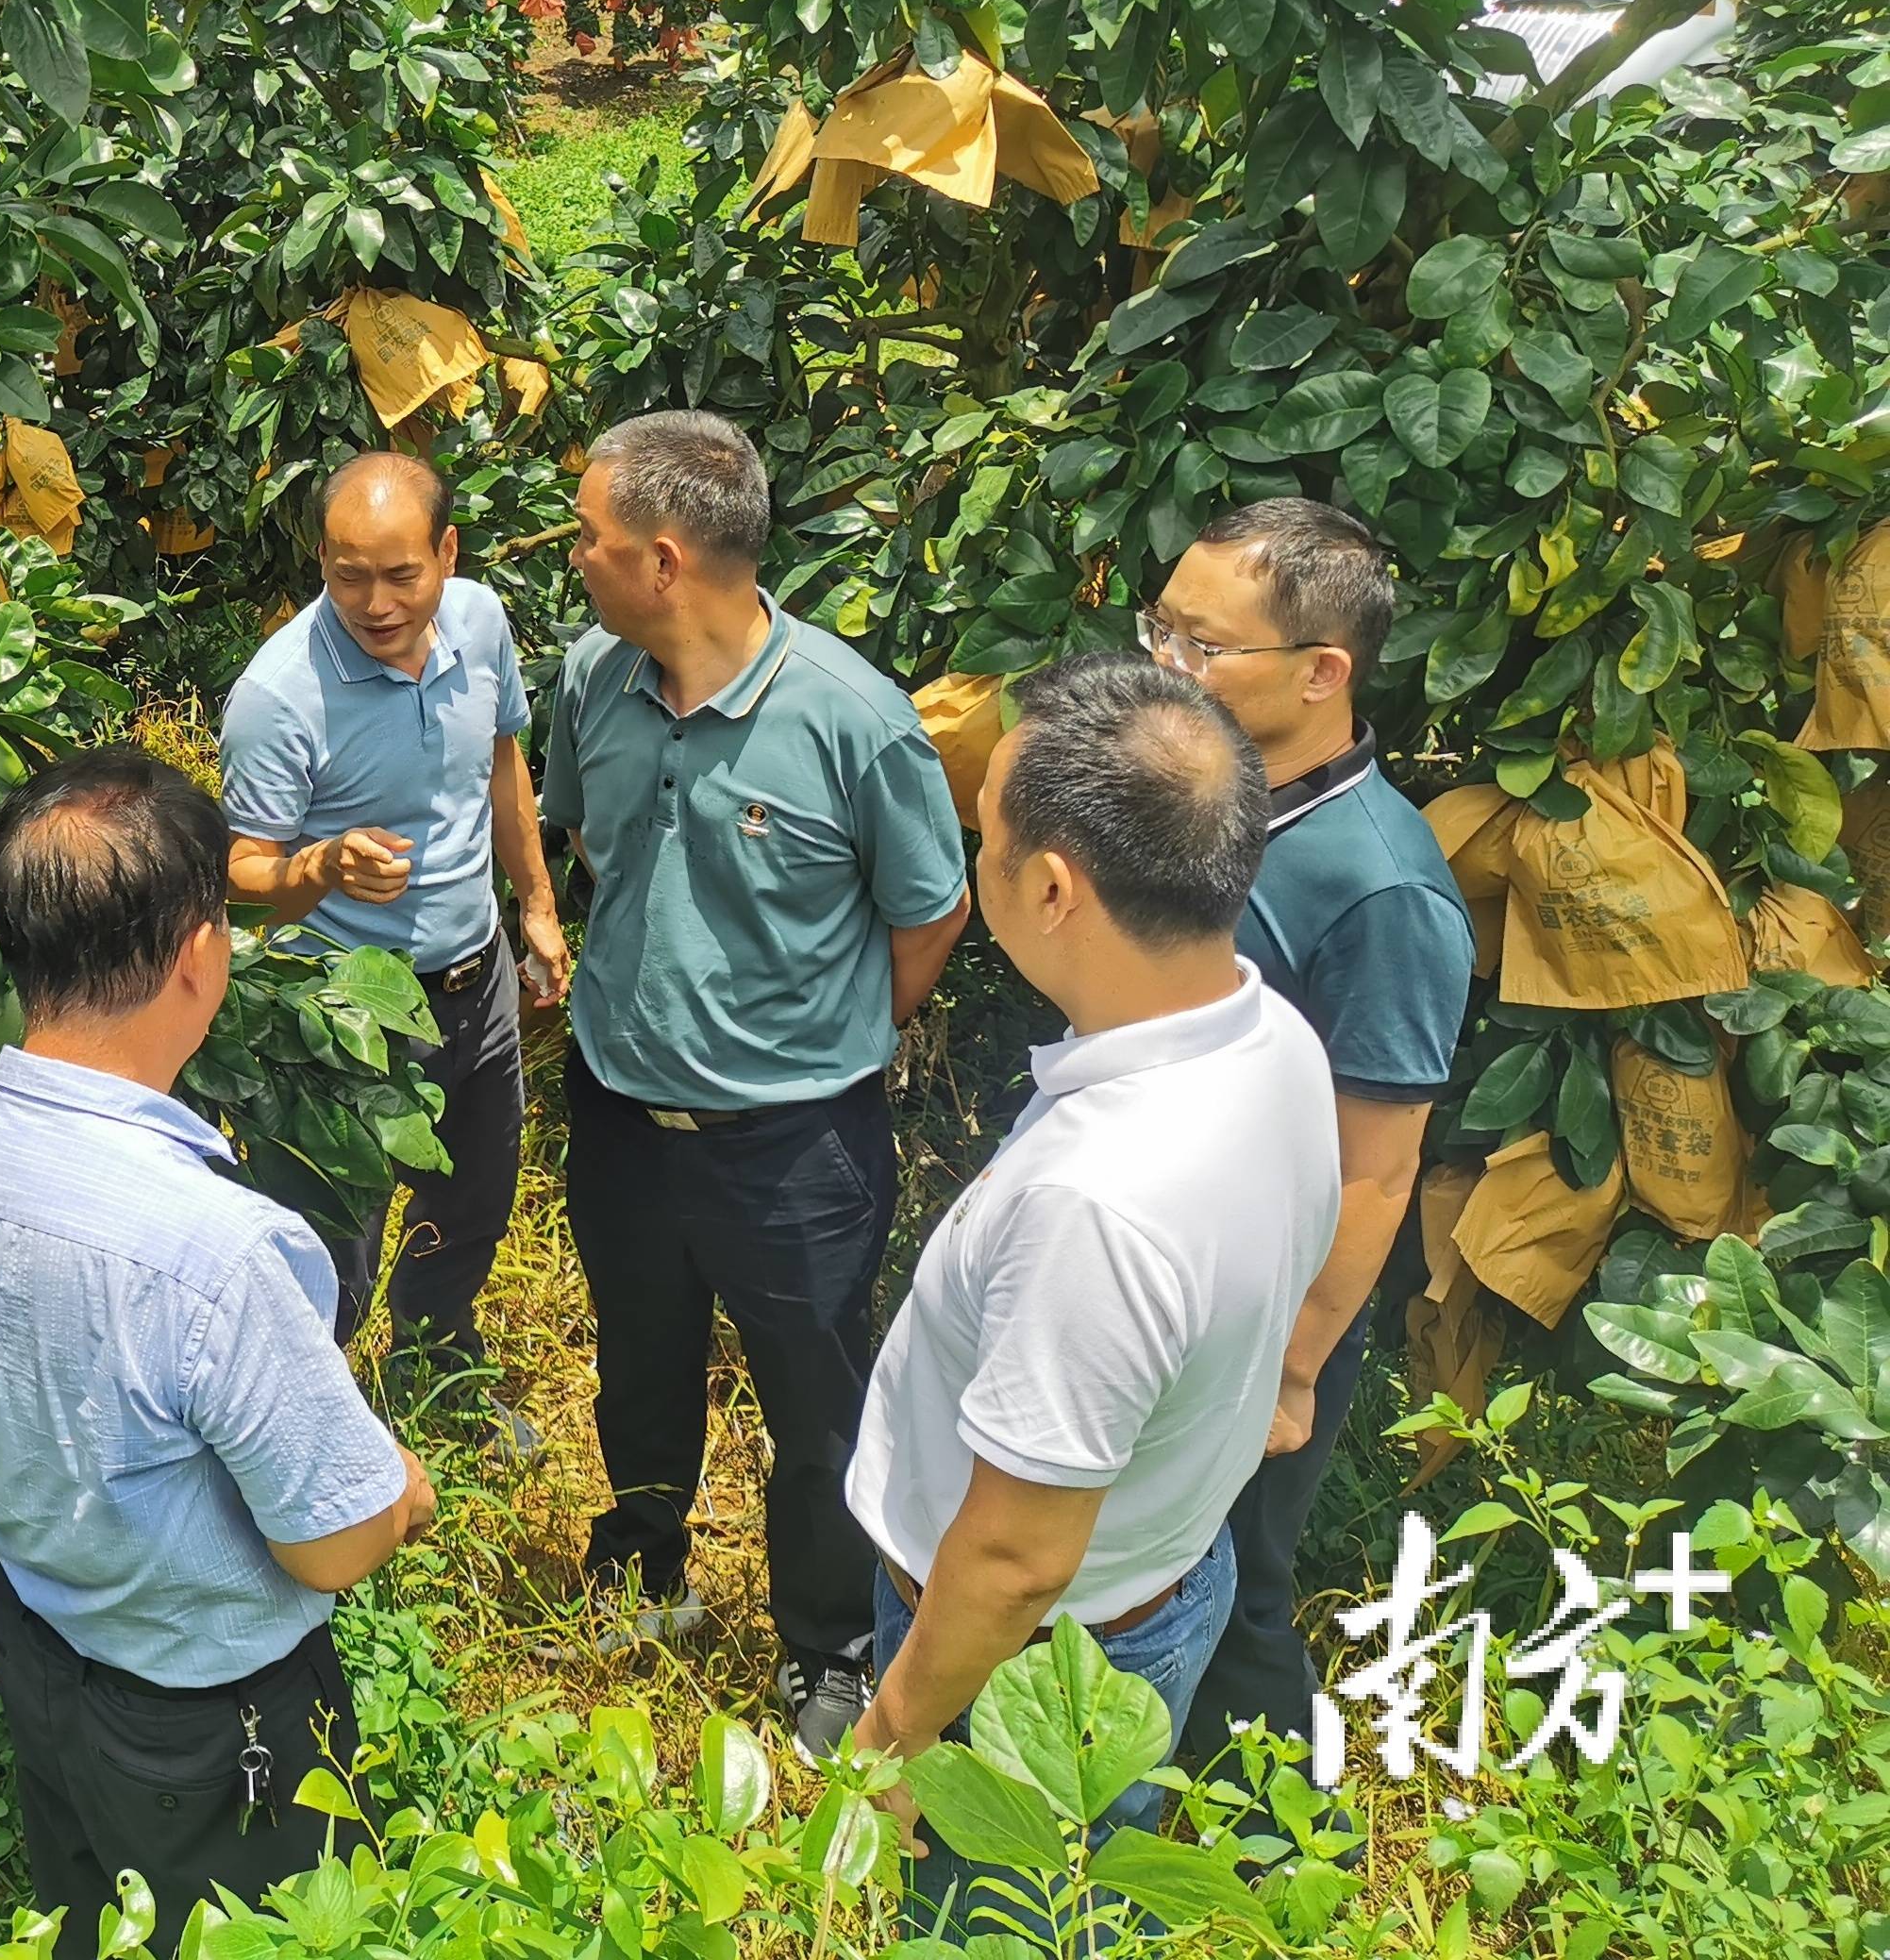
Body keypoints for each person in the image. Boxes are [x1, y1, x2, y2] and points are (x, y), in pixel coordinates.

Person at [0, 745, 438, 1949]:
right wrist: (406, 1493)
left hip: (39, 1651)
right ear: (200, 953)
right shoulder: (219, 1249)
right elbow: (334, 1544)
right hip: (214, 1722)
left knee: (93, 1920)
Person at [844, 654, 1339, 1921]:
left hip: (1026, 1672)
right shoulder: (1267, 1034)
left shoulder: (1099, 1204)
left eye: (986, 837)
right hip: (1166, 1566)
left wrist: (890, 1743)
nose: (975, 860)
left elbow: (1013, 1559)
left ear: (1052, 889)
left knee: (993, 1929)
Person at [539, 411, 969, 1753]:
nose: (575, 559)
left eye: (591, 539)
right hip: (619, 1108)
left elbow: (930, 912)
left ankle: (829, 1646)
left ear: (664, 560)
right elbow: (584, 846)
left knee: (818, 1404)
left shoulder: (851, 720)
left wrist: (833, 1040)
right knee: (639, 1353)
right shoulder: (592, 682)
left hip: (795, 1146)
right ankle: (647, 1552)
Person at [1140, 500, 1476, 1764]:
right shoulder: (1203, 805)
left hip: (1260, 1313)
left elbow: (1377, 1170)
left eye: (1202, 647)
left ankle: (1266, 1861)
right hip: (1148, 1266)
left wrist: (1291, 1366)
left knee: (1231, 1579)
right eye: (1161, 631)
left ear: (1323, 673)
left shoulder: (1381, 887)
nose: (1165, 666)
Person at [220, 451, 572, 1420]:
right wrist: (320, 865)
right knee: (330, 1231)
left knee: (471, 1203)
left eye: (401, 575)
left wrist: (535, 904)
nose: (374, 604)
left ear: (446, 552)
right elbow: (241, 878)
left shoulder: (481, 621)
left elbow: (501, 760)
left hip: (477, 977)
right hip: (343, 1013)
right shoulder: (278, 698)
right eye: (347, 576)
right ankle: (301, 1425)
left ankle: (435, 1367)